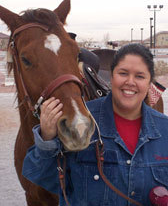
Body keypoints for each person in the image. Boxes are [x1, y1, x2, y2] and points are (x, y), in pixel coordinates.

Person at [22, 43, 168, 205]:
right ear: (111, 77)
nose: (130, 82)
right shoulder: (79, 121)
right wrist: (47, 139)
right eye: (123, 73)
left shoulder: (165, 130)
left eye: (140, 76)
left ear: (149, 83)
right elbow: (39, 176)